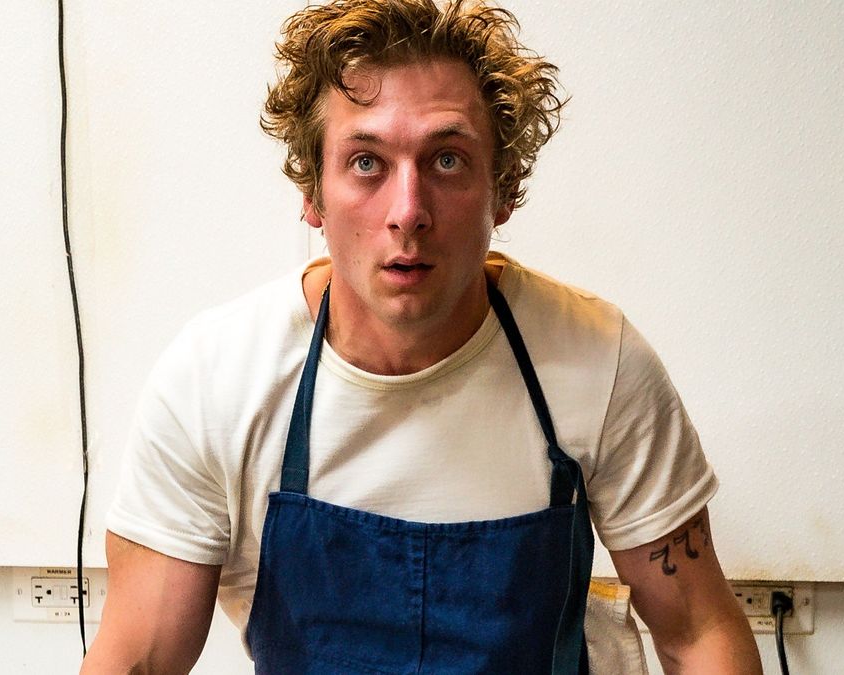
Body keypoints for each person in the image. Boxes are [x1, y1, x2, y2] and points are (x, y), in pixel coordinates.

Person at [82, 1, 761, 673]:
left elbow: (698, 633)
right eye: (367, 162)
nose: (408, 213)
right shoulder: (215, 380)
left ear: (503, 189)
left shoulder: (597, 361)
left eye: (446, 160)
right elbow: (136, 660)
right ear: (313, 192)